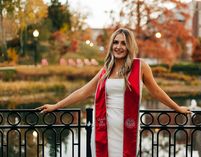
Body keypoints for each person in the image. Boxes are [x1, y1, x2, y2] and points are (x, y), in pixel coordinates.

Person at [37, 28, 191, 157]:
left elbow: (156, 91)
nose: (119, 46)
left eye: (123, 43)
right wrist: (56, 105)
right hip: (103, 129)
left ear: (129, 46)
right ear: (111, 46)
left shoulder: (140, 67)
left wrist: (177, 108)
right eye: (116, 42)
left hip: (127, 130)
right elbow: (84, 91)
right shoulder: (106, 70)